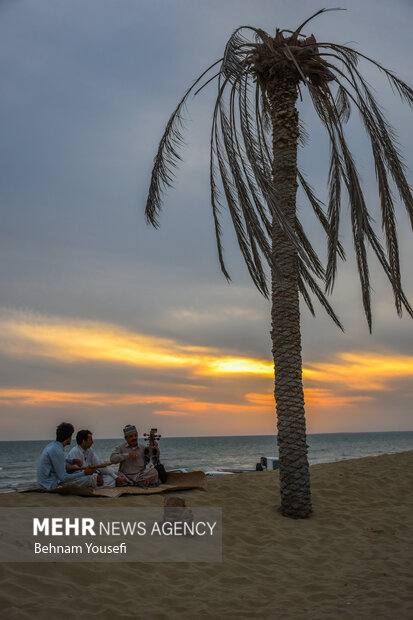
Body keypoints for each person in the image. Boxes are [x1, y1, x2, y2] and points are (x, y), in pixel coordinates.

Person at [37, 422, 98, 490]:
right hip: (50, 485)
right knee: (88, 479)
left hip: (45, 482)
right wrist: (84, 473)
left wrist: (72, 461)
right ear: (69, 437)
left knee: (86, 478)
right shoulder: (57, 450)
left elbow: (59, 460)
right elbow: (63, 477)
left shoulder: (52, 446)